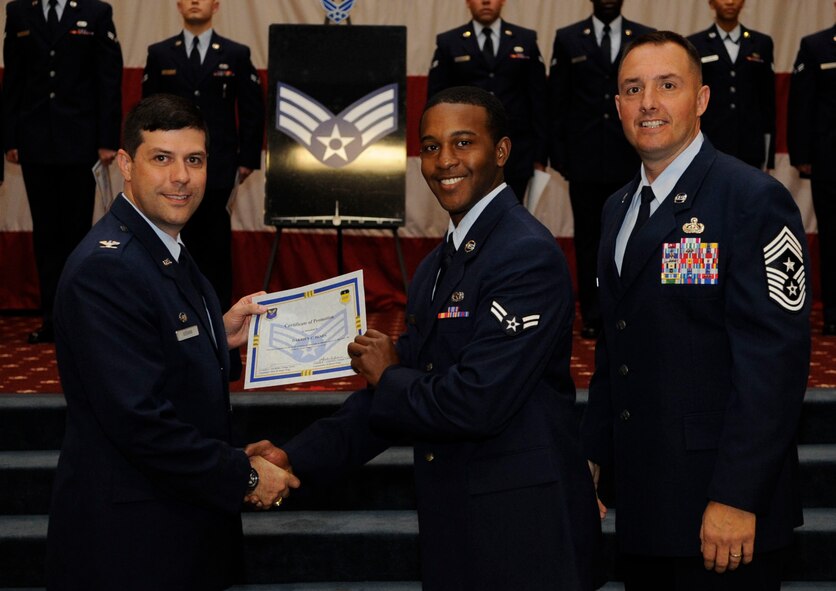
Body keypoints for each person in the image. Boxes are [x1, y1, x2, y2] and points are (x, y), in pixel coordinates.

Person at [248, 86, 601, 590]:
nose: (444, 161)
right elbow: (393, 397)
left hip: (524, 532)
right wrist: (292, 456)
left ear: (501, 152)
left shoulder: (526, 255)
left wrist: (389, 373)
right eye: (431, 147)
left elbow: (475, 401)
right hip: (458, 524)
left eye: (463, 143)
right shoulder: (438, 265)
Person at [583, 31, 810, 590]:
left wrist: (736, 495)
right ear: (617, 106)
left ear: (702, 99)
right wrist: (591, 458)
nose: (648, 103)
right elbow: (617, 350)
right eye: (632, 89)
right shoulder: (616, 209)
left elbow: (773, 367)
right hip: (643, 508)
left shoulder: (752, 199)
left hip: (726, 516)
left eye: (667, 85)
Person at [46, 94, 299, 590]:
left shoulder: (164, 246)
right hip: (133, 544)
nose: (181, 176)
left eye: (194, 160)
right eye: (161, 158)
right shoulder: (108, 267)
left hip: (174, 524)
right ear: (125, 164)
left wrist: (214, 336)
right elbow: (140, 421)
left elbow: (155, 349)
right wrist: (242, 475)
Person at [143, 0, 265, 376]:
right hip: (169, 179)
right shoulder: (160, 53)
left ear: (216, 5)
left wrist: (246, 158)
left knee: (215, 261)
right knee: (170, 257)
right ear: (179, 4)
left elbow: (251, 108)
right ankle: (177, 349)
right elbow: (147, 114)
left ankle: (222, 353)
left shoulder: (235, 54)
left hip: (216, 171)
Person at [2, 0, 123, 343]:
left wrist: (107, 138)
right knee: (46, 236)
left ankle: (77, 317)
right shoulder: (19, 11)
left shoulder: (95, 12)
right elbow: (13, 77)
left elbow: (108, 76)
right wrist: (9, 137)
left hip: (80, 141)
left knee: (75, 235)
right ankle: (52, 319)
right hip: (34, 141)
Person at [548, 0, 654, 339]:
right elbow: (558, 99)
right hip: (584, 162)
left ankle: (635, 307)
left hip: (633, 159)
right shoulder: (568, 39)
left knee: (638, 237)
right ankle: (594, 313)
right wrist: (560, 156)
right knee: (589, 241)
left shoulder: (643, 37)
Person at [426, 0, 548, 202]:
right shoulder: (449, 42)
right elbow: (437, 103)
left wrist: (540, 156)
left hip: (517, 153)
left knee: (512, 220)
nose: (485, 1)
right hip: (463, 153)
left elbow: (539, 101)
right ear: (467, 2)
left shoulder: (525, 40)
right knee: (468, 215)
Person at [788, 4, 836, 336]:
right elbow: (802, 102)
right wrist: (801, 154)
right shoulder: (816, 45)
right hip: (830, 160)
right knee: (832, 238)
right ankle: (833, 312)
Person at [688, 0, 776, 170]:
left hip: (750, 146)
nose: (729, 2)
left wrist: (769, 154)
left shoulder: (761, 43)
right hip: (710, 142)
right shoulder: (695, 44)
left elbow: (768, 101)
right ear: (711, 3)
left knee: (750, 195)